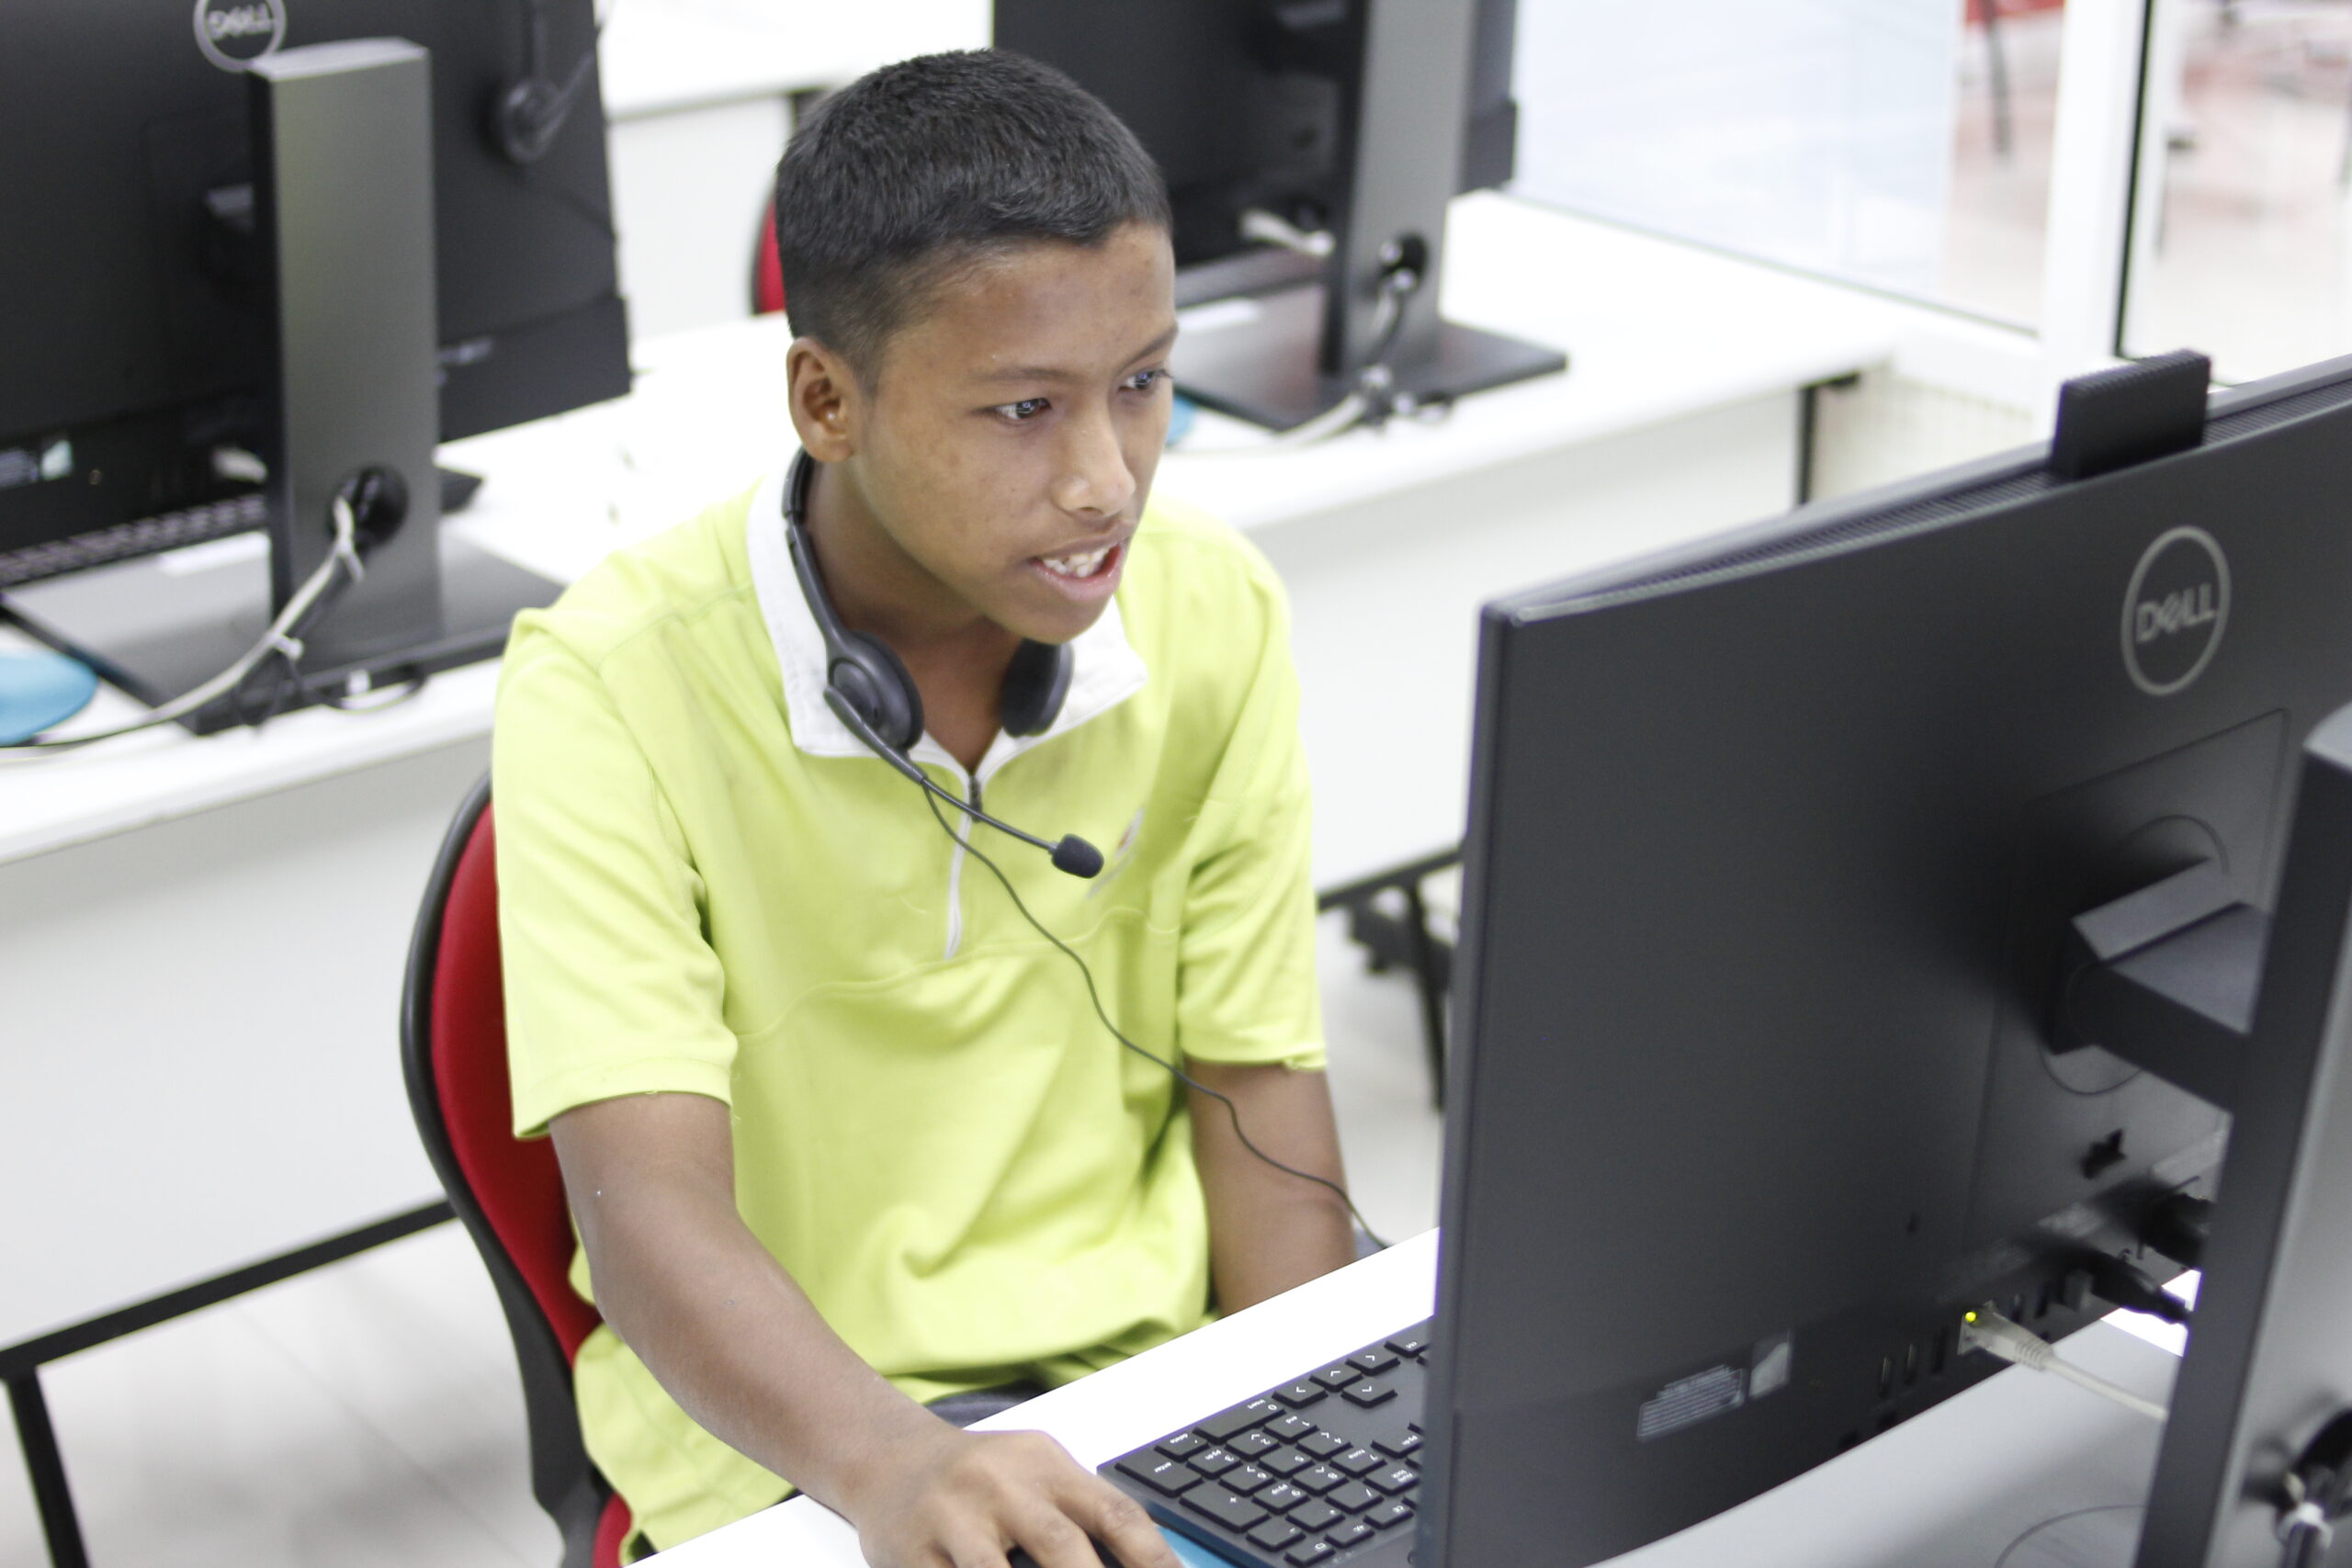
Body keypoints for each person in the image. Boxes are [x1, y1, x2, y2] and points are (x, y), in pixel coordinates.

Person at [492, 49, 1360, 1568]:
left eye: (1141, 384)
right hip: (804, 1453)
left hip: (1152, 1398)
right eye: (1024, 408)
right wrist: (895, 1467)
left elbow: (1263, 1098)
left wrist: (1322, 1446)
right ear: (828, 401)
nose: (1106, 481)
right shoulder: (608, 683)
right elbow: (646, 1218)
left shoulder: (1211, 608)